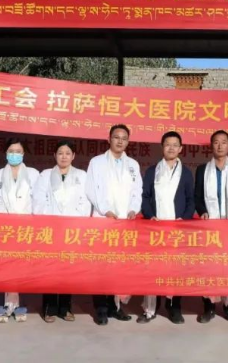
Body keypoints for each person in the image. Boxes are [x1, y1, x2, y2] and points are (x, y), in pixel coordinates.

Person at [85, 124, 142, 325]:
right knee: (101, 266)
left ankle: (115, 307)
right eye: (116, 137)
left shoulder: (133, 164)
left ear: (128, 141)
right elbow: (91, 190)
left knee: (119, 266)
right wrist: (105, 210)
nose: (120, 141)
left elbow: (137, 191)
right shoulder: (97, 162)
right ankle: (101, 309)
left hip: (125, 222)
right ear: (109, 139)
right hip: (104, 220)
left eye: (124, 138)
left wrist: (133, 209)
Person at [139, 131, 195, 324]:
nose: (171, 148)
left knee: (176, 270)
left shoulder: (186, 173)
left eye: (175, 145)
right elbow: (145, 197)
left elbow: (191, 200)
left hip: (177, 229)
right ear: (162, 147)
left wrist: (184, 219)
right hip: (156, 229)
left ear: (180, 148)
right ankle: (150, 309)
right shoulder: (152, 171)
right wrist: (150, 216)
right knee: (153, 269)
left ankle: (174, 308)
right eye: (167, 144)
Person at [33, 139, 91, 323]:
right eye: (60, 153)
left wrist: (73, 222)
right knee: (50, 269)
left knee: (68, 269)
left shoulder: (82, 176)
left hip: (72, 231)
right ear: (54, 155)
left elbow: (85, 202)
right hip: (50, 230)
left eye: (67, 153)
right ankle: (49, 307)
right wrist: (52, 222)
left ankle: (65, 308)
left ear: (73, 156)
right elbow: (38, 201)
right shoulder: (45, 175)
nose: (64, 157)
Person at [195, 129, 228, 324]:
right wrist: (202, 211)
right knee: (209, 267)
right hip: (210, 226)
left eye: (223, 142)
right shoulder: (202, 170)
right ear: (211, 146)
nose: (220, 145)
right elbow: (197, 196)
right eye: (216, 142)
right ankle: (208, 307)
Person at [0, 137, 40, 323]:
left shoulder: (33, 174)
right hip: (4, 227)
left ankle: (18, 305)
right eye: (11, 151)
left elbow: (37, 199)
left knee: (21, 266)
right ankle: (4, 305)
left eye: (18, 151)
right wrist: (6, 220)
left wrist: (27, 219)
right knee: (3, 264)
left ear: (24, 153)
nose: (14, 154)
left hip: (26, 226)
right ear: (6, 153)